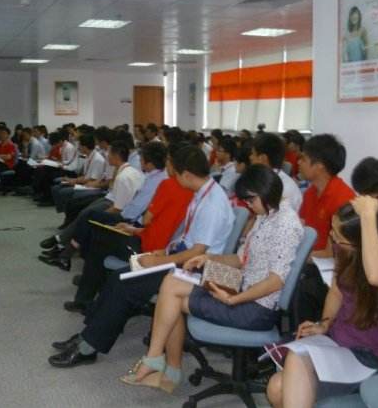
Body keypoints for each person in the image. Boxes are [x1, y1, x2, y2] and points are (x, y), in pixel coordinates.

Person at [48, 145, 234, 368]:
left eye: (174, 172)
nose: (172, 176)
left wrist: (158, 261)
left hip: (195, 268)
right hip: (181, 258)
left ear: (186, 174)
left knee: (124, 284)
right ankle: (87, 335)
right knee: (117, 277)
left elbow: (198, 252)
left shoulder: (212, 204)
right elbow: (189, 237)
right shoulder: (203, 193)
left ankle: (88, 347)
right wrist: (165, 251)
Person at [121, 165, 302, 393]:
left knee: (171, 297)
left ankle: (161, 365)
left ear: (266, 192)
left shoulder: (286, 225)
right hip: (241, 282)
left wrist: (233, 300)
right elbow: (240, 259)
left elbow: (276, 282)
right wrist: (209, 259)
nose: (248, 205)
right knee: (172, 280)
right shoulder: (267, 214)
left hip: (255, 307)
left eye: (251, 200)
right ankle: (159, 361)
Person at [267, 197, 378, 408]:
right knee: (276, 388)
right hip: (339, 345)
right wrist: (325, 323)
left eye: (338, 237)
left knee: (290, 369)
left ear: (362, 241)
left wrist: (368, 216)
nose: (333, 238)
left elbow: (377, 276)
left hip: (373, 358)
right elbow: (336, 292)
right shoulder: (347, 252)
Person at [64, 142, 192, 312]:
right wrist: (134, 229)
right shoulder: (193, 190)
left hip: (149, 249)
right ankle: (91, 284)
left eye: (168, 160)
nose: (166, 163)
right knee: (100, 235)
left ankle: (84, 297)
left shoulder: (168, 185)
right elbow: (161, 225)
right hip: (159, 244)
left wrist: (135, 227)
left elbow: (147, 220)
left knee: (99, 241)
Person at [39, 140, 144, 272]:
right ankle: (60, 247)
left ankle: (62, 250)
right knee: (83, 212)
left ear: (116, 156)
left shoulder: (124, 177)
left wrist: (98, 216)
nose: (107, 156)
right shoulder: (128, 171)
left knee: (87, 216)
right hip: (110, 199)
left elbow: (118, 208)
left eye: (109, 154)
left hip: (114, 206)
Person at [295, 134, 355, 322]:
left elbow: (333, 252)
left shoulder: (343, 199)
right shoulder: (310, 193)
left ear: (319, 166)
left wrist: (296, 257)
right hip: (311, 259)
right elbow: (300, 229)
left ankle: (304, 333)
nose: (298, 162)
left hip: (332, 267)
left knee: (302, 284)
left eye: (304, 159)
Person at [250, 132, 302, 212]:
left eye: (253, 154)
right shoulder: (267, 179)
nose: (250, 157)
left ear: (263, 158)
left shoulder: (282, 188)